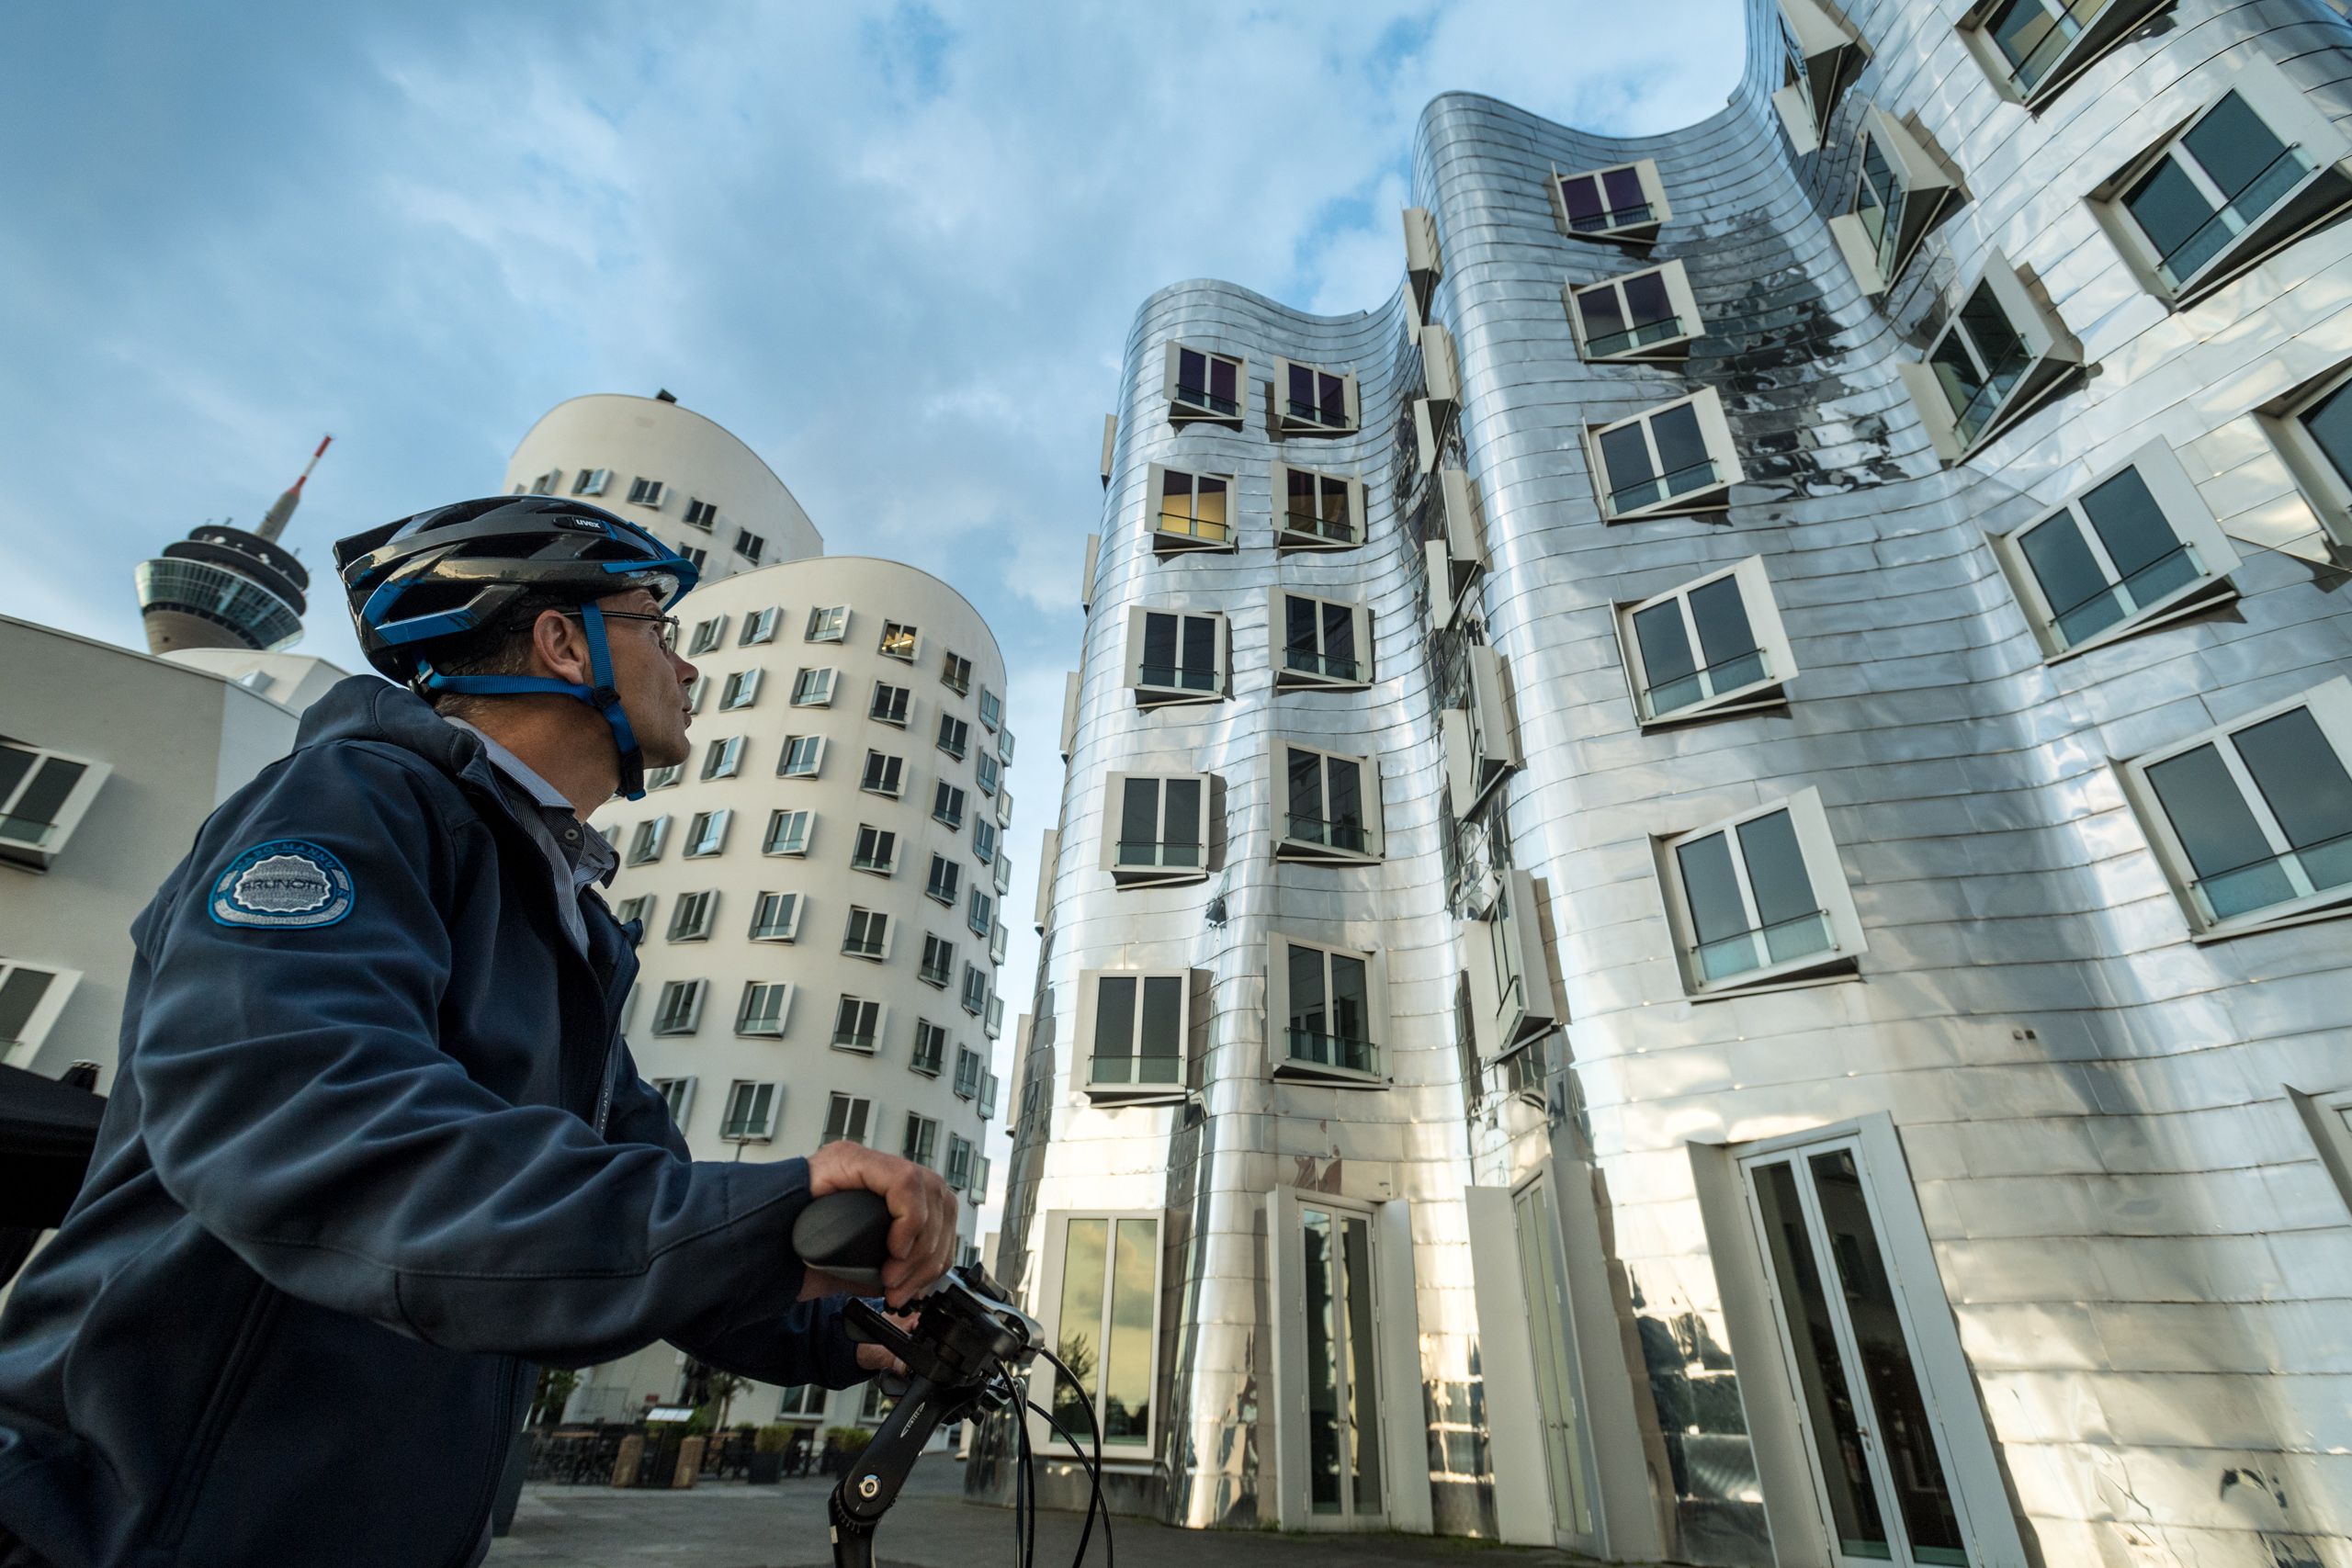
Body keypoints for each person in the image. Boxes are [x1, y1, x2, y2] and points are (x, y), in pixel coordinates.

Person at [0, 497, 956, 1568]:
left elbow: (642, 1202)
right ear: (561, 641)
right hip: (133, 1524)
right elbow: (306, 1120)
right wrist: (755, 1214)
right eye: (657, 624)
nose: (686, 671)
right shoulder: (351, 803)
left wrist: (862, 1326)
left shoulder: (572, 931)